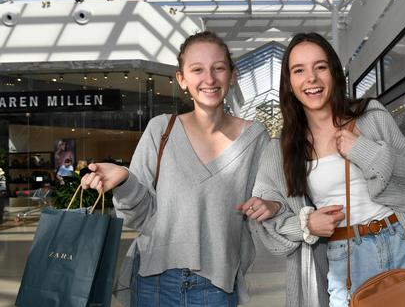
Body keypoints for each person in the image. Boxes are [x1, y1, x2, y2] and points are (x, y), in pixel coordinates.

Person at [243, 33, 405, 307]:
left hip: (403, 243)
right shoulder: (281, 149)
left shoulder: (370, 115)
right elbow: (270, 224)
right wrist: (306, 223)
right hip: (346, 258)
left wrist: (365, 150)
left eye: (320, 67)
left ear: (334, 73)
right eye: (299, 70)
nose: (312, 79)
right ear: (289, 83)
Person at [80, 31, 272, 307]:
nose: (209, 79)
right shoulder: (161, 130)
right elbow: (139, 218)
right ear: (182, 79)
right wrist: (125, 181)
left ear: (232, 75)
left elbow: (267, 204)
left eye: (219, 68)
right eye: (197, 70)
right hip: (153, 280)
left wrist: (270, 205)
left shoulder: (255, 138)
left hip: (217, 283)